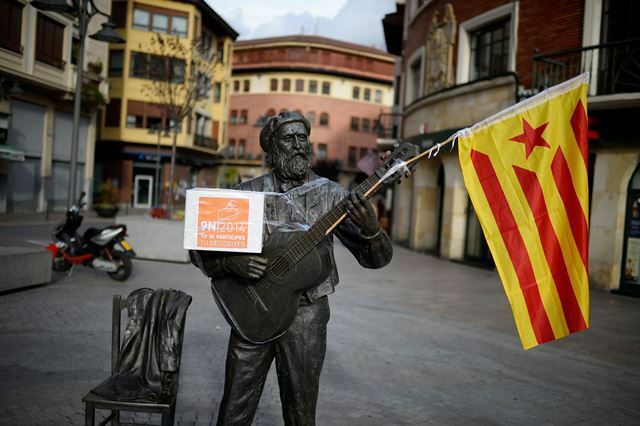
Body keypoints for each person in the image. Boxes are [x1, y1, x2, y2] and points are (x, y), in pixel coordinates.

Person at [190, 111, 393, 425]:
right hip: (251, 308)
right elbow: (200, 250)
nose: (300, 145)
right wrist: (230, 262)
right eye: (289, 138)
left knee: (301, 413)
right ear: (271, 148)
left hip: (306, 315)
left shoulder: (332, 195)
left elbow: (376, 259)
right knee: (234, 410)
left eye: (303, 138)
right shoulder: (246, 193)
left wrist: (371, 230)